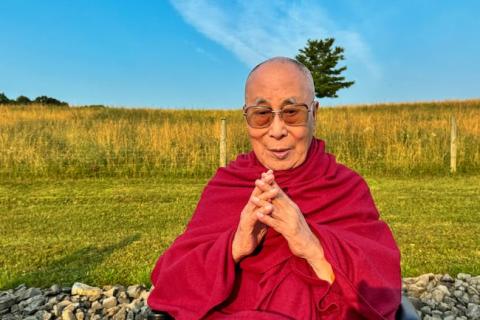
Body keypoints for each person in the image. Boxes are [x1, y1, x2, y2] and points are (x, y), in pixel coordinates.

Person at [147, 57, 402, 319]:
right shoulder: (227, 184)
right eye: (262, 115)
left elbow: (381, 293)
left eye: (292, 113)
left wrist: (310, 243)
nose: (277, 130)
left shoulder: (344, 186)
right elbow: (169, 282)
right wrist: (235, 245)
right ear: (246, 118)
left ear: (314, 113)